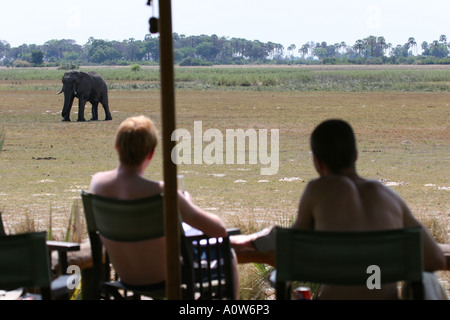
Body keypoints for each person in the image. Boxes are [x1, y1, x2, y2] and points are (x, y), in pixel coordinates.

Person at [231, 119, 446, 299]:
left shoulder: (317, 190)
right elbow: (435, 258)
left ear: (318, 162)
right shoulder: (388, 195)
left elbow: (292, 253)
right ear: (355, 155)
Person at [89, 115, 239, 298]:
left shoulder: (97, 184)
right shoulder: (163, 192)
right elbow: (219, 230)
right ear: (151, 153)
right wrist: (187, 203)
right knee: (228, 252)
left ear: (117, 147)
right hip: (170, 278)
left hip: (125, 279)